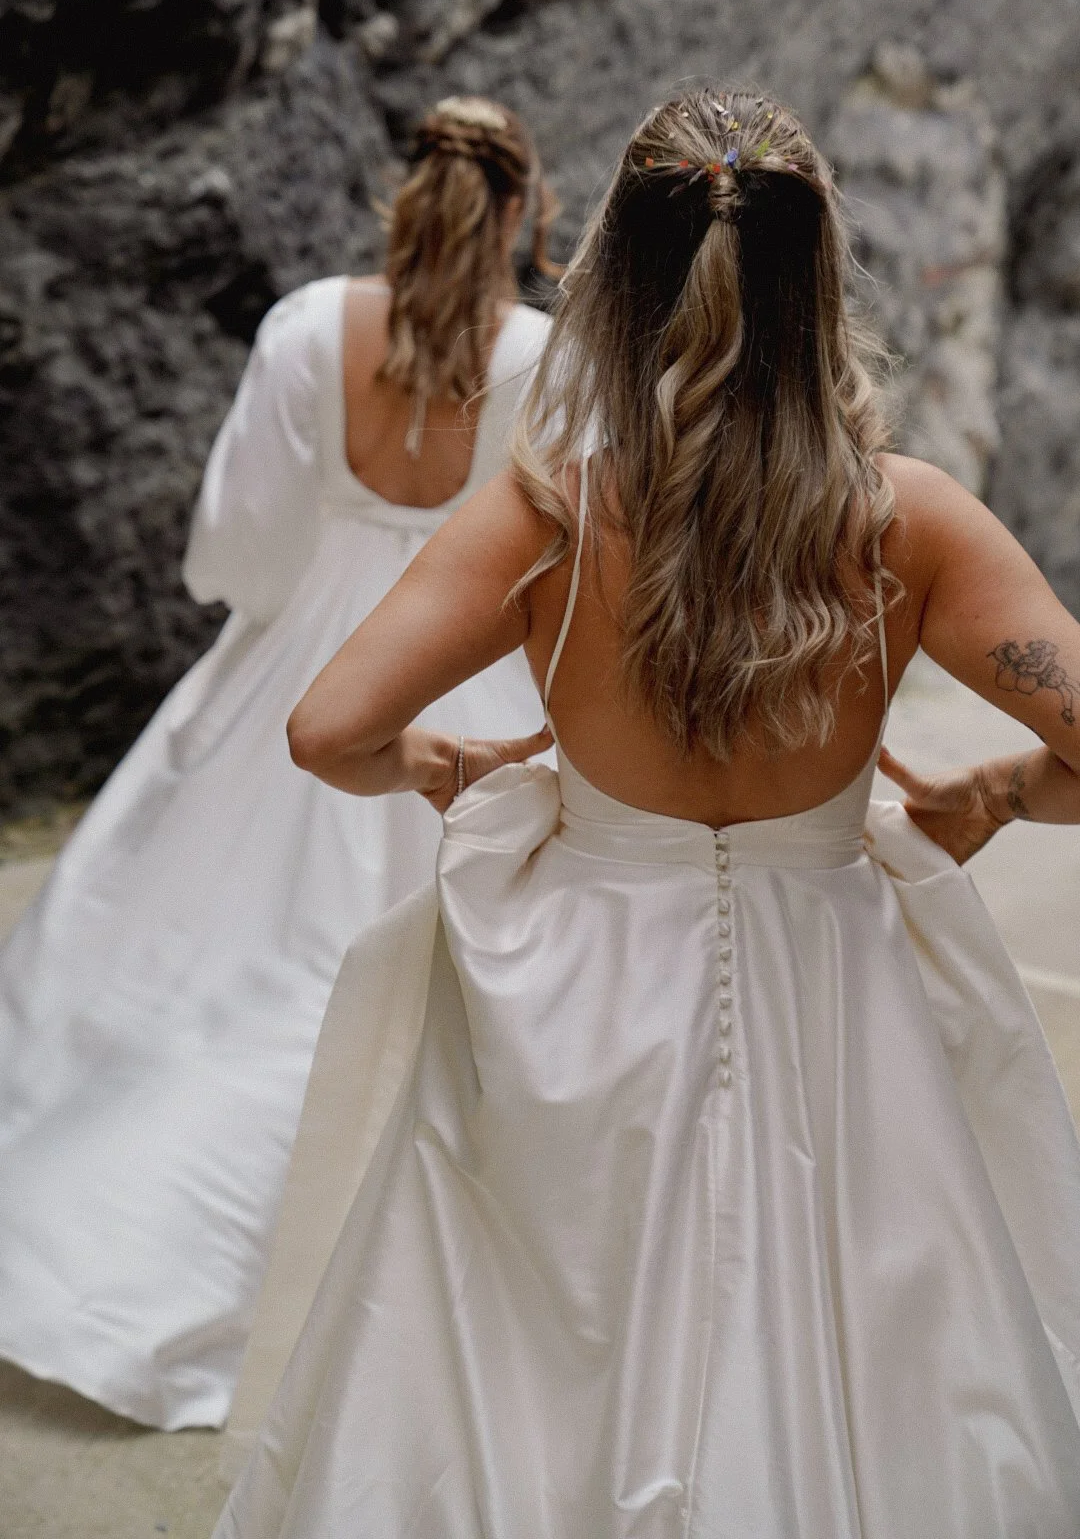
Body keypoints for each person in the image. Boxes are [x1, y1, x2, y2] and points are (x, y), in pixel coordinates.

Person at [215, 87, 1080, 1536]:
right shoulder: (908, 519)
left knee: (549, 1347)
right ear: (822, 283)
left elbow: (326, 729)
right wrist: (1000, 789)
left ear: (611, 277)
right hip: (839, 988)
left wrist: (451, 769)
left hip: (585, 1001)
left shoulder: (550, 513)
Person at [0, 95, 558, 1431]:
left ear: (400, 193)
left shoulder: (310, 325)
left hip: (308, 665)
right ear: (527, 211)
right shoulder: (545, 355)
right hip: (464, 658)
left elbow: (240, 545)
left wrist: (287, 595)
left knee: (190, 947)